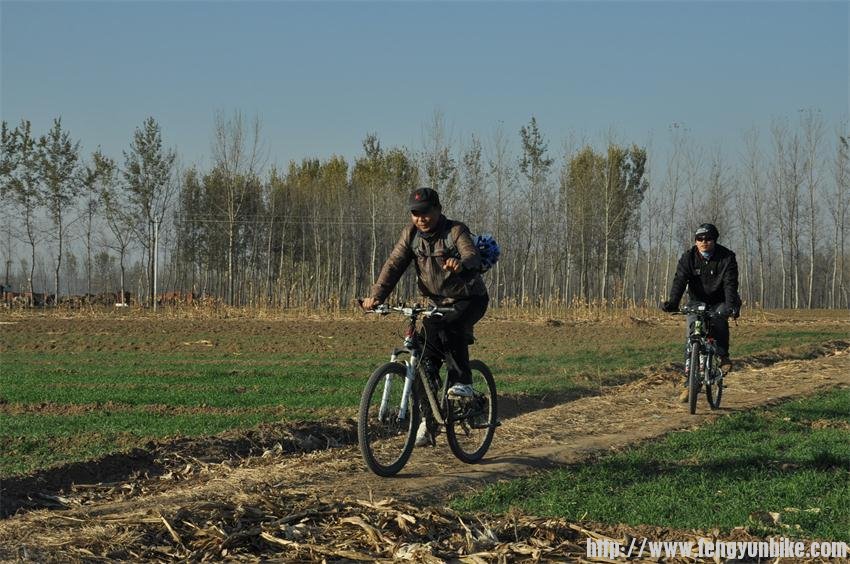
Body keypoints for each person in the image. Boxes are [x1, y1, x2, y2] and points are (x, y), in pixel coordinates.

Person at [361, 187, 489, 445]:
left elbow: (471, 255)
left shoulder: (455, 231)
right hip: (438, 301)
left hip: (469, 297)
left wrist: (461, 264)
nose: (420, 218)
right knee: (423, 360)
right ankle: (428, 425)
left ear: (438, 210)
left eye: (426, 213)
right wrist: (377, 297)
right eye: (415, 214)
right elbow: (394, 264)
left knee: (450, 329)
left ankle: (463, 382)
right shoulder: (411, 236)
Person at [661, 223, 741, 402]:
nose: (704, 242)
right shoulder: (688, 258)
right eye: (700, 239)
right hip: (697, 301)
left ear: (715, 240)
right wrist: (673, 303)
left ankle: (722, 356)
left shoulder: (727, 257)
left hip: (721, 300)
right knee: (692, 333)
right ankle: (690, 382)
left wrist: (730, 306)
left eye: (708, 239)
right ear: (696, 241)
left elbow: (730, 284)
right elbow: (680, 280)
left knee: (720, 318)